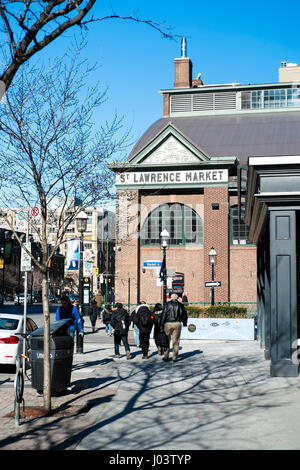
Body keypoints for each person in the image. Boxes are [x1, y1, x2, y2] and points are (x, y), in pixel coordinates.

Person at [160, 292, 187, 362]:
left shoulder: (167, 304)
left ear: (171, 298)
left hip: (168, 323)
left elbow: (164, 314)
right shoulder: (180, 305)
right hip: (177, 323)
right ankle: (174, 357)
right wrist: (184, 323)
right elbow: (184, 314)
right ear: (177, 298)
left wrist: (161, 324)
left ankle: (166, 356)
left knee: (166, 340)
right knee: (176, 341)